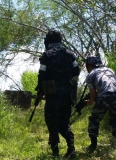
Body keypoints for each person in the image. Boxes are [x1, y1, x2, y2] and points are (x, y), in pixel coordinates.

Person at [36, 29, 80, 158]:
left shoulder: (47, 55)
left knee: (52, 122)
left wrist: (41, 90)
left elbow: (42, 75)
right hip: (67, 95)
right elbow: (76, 71)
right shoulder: (70, 54)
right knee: (64, 122)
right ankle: (71, 149)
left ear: (48, 41)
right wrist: (69, 84)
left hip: (53, 94)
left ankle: (55, 153)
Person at [76, 55, 116, 153]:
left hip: (104, 97)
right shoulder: (110, 70)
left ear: (90, 65)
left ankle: (92, 146)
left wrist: (87, 103)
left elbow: (93, 97)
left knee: (94, 120)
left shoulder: (90, 75)